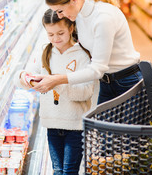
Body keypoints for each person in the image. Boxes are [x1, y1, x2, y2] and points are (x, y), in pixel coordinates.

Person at [32, 0, 141, 105]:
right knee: (102, 125)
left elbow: (97, 69)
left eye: (60, 11)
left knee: (125, 125)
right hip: (106, 82)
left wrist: (57, 80)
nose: (60, 16)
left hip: (127, 82)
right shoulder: (79, 14)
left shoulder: (103, 18)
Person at [14, 9, 94, 175]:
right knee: (57, 170)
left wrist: (56, 82)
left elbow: (85, 93)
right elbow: (21, 78)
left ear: (71, 28)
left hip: (75, 126)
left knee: (69, 171)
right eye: (50, 34)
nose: (55, 39)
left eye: (60, 33)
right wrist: (26, 78)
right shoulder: (45, 52)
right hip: (51, 124)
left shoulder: (82, 55)